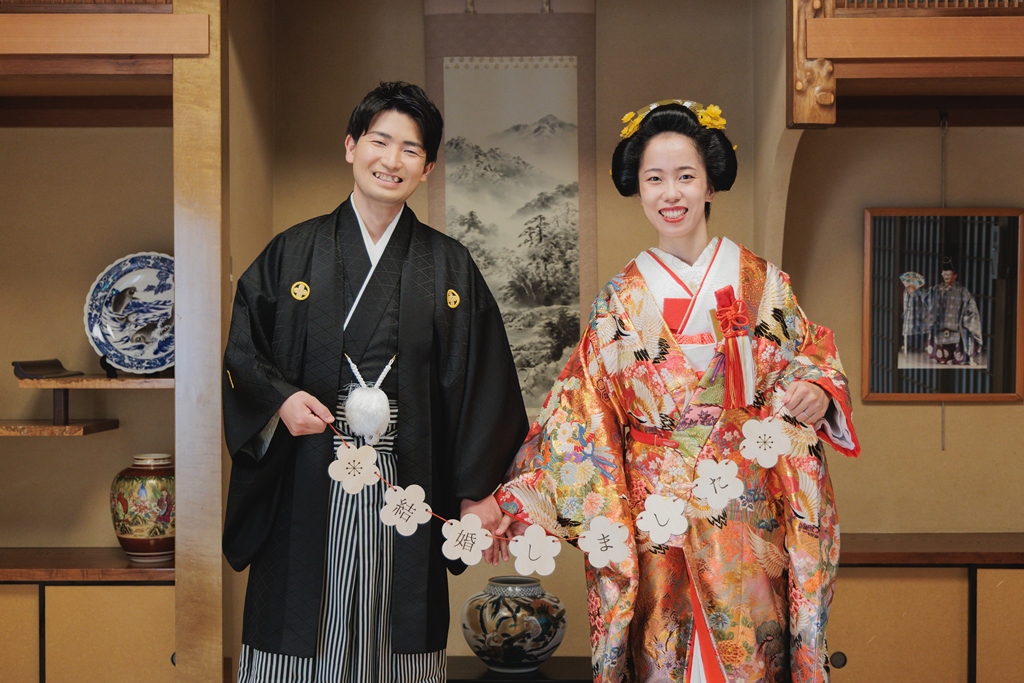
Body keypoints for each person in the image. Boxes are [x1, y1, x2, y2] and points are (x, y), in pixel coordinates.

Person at [495, 100, 860, 682]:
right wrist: (514, 498)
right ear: (638, 189)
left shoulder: (762, 283)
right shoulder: (621, 300)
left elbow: (809, 355)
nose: (671, 193)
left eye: (686, 176)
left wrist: (818, 389)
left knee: (749, 659)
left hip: (745, 518)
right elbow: (578, 409)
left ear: (710, 184)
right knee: (664, 659)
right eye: (655, 179)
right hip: (654, 522)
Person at [222, 81, 528, 683]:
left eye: (411, 149)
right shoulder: (292, 253)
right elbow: (243, 352)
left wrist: (476, 492)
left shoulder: (449, 265)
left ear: (427, 168)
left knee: (396, 636)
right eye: (379, 141)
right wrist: (281, 401)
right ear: (350, 147)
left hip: (406, 475)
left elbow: (482, 383)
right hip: (309, 469)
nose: (392, 160)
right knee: (299, 631)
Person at [926, 258, 982, 365]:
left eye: (948, 274)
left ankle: (959, 357)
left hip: (956, 324)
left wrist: (967, 317)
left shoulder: (962, 290)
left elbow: (970, 305)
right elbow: (927, 301)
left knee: (959, 340)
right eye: (944, 274)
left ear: (955, 275)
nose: (946, 276)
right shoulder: (936, 289)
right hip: (940, 324)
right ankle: (943, 357)